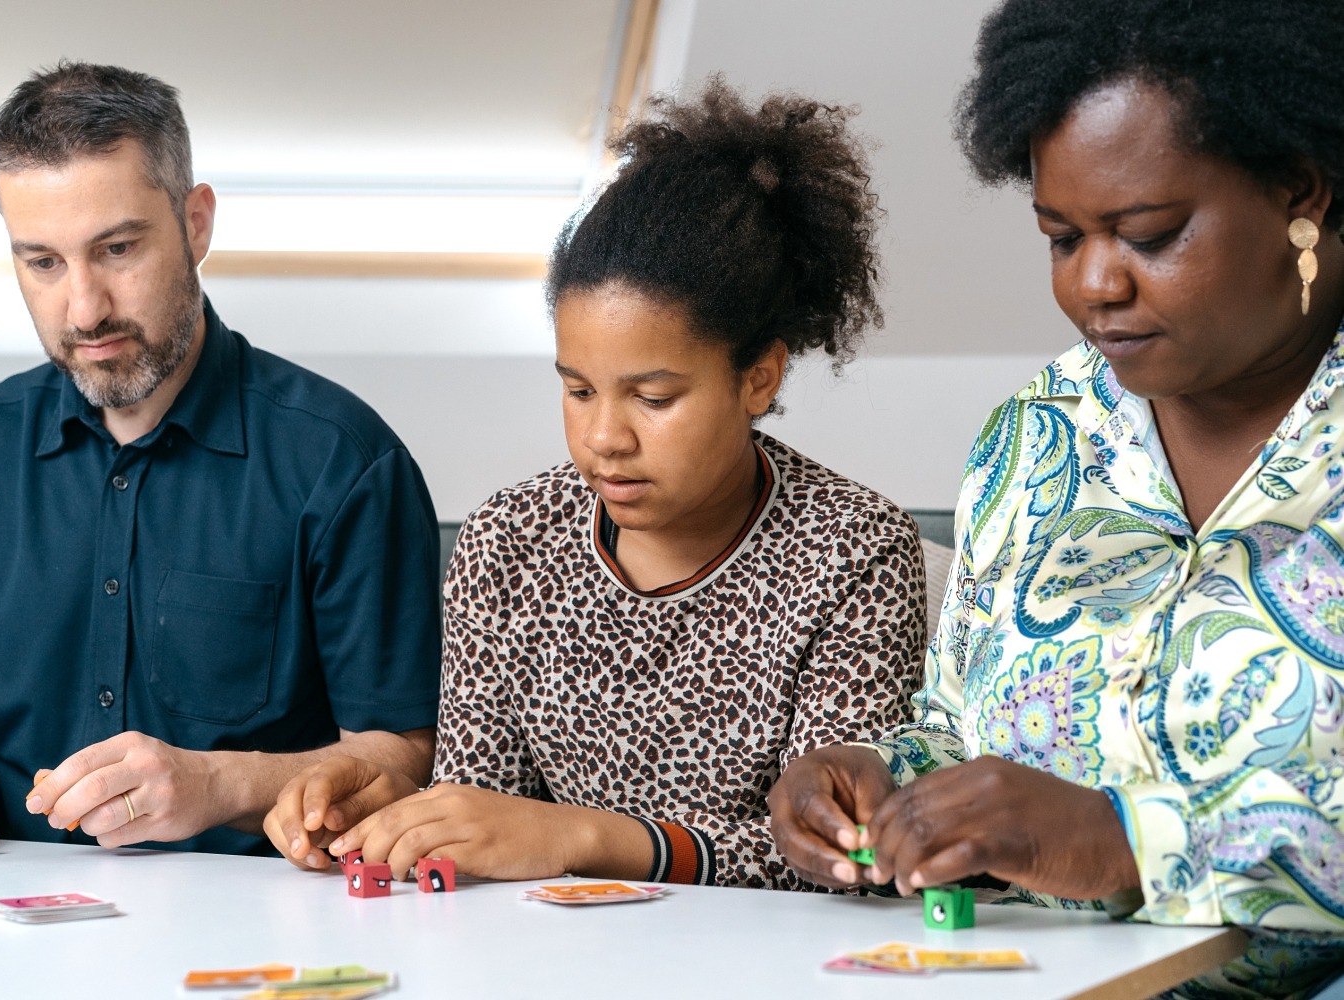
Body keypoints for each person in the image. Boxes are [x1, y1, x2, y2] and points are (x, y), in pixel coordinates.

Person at [769, 0, 1344, 993]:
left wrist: (1129, 845)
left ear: (1302, 188)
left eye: (1148, 234)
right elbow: (959, 729)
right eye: (1059, 236)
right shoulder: (1037, 439)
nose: (1093, 287)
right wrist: (879, 784)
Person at [265, 79, 927, 888]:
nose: (604, 437)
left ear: (759, 378)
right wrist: (397, 813)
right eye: (577, 389)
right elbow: (482, 815)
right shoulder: (509, 539)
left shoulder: (854, 550)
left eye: (654, 398)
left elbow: (840, 857)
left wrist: (586, 838)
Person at [0, 62, 441, 858]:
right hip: (7, 920)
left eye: (117, 248)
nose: (84, 309)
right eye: (43, 262)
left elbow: (406, 758)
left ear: (197, 223)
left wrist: (220, 786)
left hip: (267, 934)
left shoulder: (346, 464)